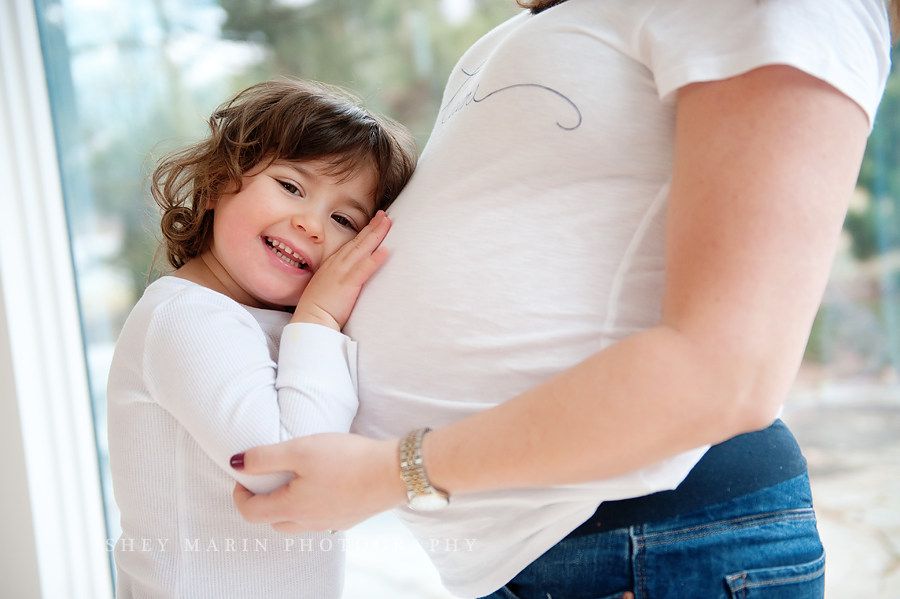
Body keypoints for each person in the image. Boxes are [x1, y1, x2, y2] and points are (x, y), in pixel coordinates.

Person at [231, 1, 893, 597]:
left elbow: (731, 372)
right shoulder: (539, 30)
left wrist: (391, 471)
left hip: (660, 543)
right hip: (563, 555)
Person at [106, 79, 416, 599]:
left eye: (343, 219)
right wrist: (317, 316)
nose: (311, 224)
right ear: (216, 183)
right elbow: (290, 478)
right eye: (292, 187)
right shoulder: (186, 315)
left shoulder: (269, 322)